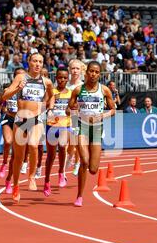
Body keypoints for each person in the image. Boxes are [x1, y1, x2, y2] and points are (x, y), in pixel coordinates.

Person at [1, 53, 54, 203]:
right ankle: (16, 185)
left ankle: (31, 177)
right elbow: (4, 96)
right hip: (20, 120)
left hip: (36, 119)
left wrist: (47, 107)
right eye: (35, 61)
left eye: (40, 61)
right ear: (29, 62)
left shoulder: (47, 82)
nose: (37, 64)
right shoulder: (21, 78)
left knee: (33, 144)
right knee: (18, 158)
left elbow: (51, 96)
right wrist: (17, 89)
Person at [67, 61, 116, 207]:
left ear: (99, 74)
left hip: (96, 129)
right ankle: (79, 196)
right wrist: (73, 111)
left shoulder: (105, 90)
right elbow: (68, 109)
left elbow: (113, 110)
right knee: (85, 161)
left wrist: (102, 116)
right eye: (91, 71)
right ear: (86, 72)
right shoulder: (77, 90)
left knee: (93, 169)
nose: (93, 74)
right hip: (81, 127)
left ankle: (82, 186)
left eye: (96, 72)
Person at [0, 68, 26, 194]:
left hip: (20, 121)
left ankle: (9, 181)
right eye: (18, 76)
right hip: (8, 118)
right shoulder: (7, 90)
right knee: (8, 142)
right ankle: (3, 163)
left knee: (15, 156)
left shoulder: (27, 91)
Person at [43, 67, 71, 197]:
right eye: (60, 77)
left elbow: (74, 108)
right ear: (56, 78)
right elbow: (44, 104)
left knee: (63, 147)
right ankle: (47, 181)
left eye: (65, 78)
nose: (62, 80)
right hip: (51, 125)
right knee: (50, 156)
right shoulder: (51, 91)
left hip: (64, 125)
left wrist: (72, 111)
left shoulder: (71, 93)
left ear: (68, 78)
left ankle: (61, 172)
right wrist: (49, 105)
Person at [66, 59, 86, 176]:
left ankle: (77, 163)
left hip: (77, 116)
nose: (74, 71)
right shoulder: (66, 84)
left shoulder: (83, 85)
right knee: (68, 143)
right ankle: (71, 155)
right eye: (73, 68)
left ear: (81, 70)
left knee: (76, 141)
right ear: (69, 70)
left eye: (77, 69)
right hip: (64, 116)